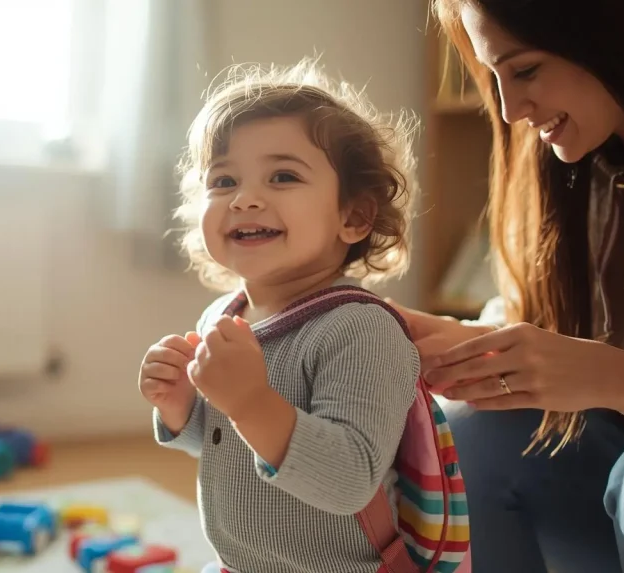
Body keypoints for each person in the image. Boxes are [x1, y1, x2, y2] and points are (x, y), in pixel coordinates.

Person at [385, 1, 624, 572]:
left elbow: (616, 382)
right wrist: (476, 342)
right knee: (469, 426)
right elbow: (560, 332)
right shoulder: (571, 165)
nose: (508, 109)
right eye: (493, 77)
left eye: (524, 70)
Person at [137, 60, 468, 572]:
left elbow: (349, 479)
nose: (245, 198)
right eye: (223, 180)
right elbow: (227, 448)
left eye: (283, 176)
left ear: (352, 216)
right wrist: (182, 409)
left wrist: (249, 401)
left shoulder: (359, 330)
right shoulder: (222, 317)